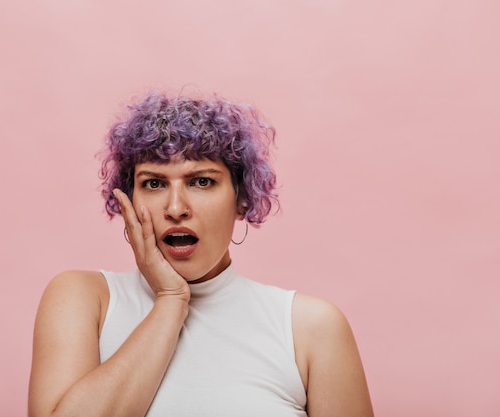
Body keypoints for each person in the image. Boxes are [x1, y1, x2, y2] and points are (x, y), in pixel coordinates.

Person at [28, 92, 374, 417]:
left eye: (202, 182)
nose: (176, 208)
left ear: (242, 199)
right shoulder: (84, 299)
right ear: (128, 200)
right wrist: (170, 299)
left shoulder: (310, 327)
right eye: (153, 183)